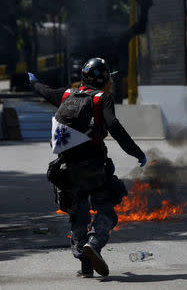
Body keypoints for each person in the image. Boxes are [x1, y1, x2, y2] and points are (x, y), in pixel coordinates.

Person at [28, 57, 146, 278]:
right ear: (104, 80)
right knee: (106, 210)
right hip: (94, 168)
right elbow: (114, 126)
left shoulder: (66, 95)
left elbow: (44, 90)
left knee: (78, 215)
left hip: (65, 170)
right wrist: (136, 152)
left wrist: (32, 81)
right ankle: (95, 242)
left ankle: (85, 266)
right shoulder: (102, 98)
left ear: (83, 76)